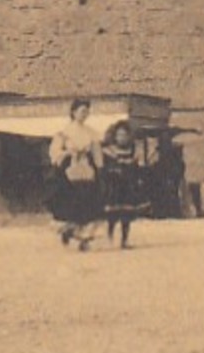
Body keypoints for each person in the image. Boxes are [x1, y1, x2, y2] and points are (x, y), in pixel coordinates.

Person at [48, 98, 104, 250]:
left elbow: (97, 153)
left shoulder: (91, 132)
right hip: (69, 171)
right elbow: (54, 152)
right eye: (81, 111)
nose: (84, 114)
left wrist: (99, 167)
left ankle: (83, 238)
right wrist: (67, 153)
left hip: (86, 170)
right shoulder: (64, 133)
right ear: (73, 112)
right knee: (71, 203)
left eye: (87, 111)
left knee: (88, 203)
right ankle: (69, 230)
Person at [99, 120, 148, 249]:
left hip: (128, 186)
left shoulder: (133, 151)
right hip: (114, 186)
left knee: (127, 215)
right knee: (113, 215)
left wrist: (138, 179)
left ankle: (124, 240)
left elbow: (137, 168)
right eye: (119, 135)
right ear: (114, 136)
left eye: (124, 135)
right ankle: (109, 239)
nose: (122, 138)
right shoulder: (108, 151)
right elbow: (104, 169)